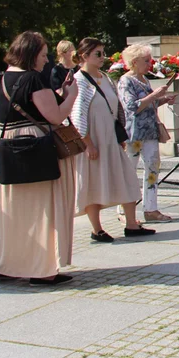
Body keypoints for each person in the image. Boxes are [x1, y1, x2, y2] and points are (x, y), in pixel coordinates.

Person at [0, 31, 79, 284]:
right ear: (31, 54)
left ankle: (7, 262)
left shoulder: (8, 76)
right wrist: (71, 96)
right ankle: (42, 268)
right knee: (41, 209)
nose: (46, 59)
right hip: (35, 143)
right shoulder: (34, 79)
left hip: (10, 142)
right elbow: (56, 116)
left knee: (14, 209)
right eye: (42, 54)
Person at [72, 38, 153, 242]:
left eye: (103, 52)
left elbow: (116, 107)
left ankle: (131, 224)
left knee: (127, 177)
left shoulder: (105, 77)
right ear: (84, 56)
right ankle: (96, 228)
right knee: (93, 182)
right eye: (97, 54)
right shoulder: (79, 80)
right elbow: (78, 115)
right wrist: (87, 143)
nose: (103, 57)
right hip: (93, 138)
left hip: (110, 137)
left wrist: (119, 135)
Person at [117, 44, 176, 223]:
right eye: (146, 60)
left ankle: (151, 209)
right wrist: (154, 95)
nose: (149, 63)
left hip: (150, 132)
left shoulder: (144, 79)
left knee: (152, 169)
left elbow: (149, 104)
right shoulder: (126, 81)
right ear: (134, 62)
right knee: (129, 171)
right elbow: (131, 107)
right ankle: (123, 211)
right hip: (133, 134)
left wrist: (163, 99)